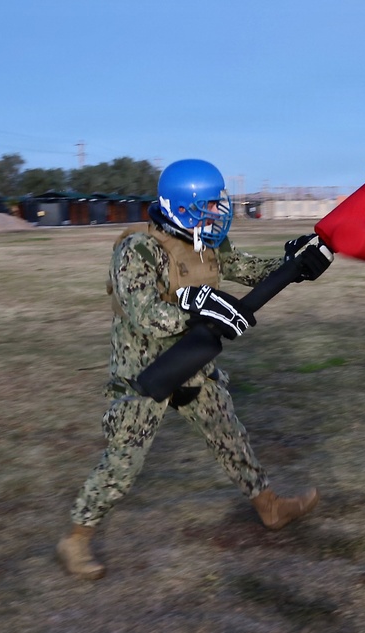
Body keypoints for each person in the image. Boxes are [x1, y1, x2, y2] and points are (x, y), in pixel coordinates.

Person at [57, 158, 332, 579]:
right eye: (208, 206)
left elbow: (248, 269)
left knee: (229, 436)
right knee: (123, 462)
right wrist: (196, 306)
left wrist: (295, 263)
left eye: (218, 204)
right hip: (143, 375)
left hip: (194, 365)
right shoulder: (137, 249)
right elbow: (143, 313)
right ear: (181, 206)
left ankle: (270, 508)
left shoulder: (206, 243)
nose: (216, 213)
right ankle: (76, 539)